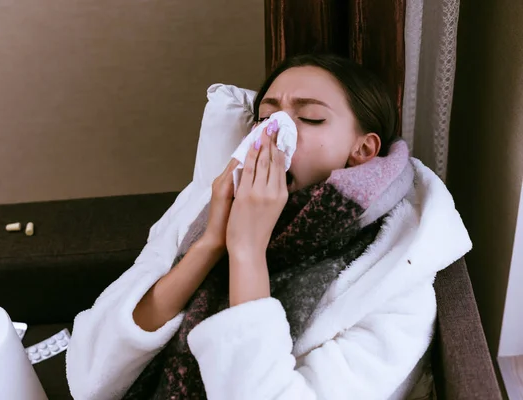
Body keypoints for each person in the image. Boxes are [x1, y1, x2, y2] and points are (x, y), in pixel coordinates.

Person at [65, 54, 471, 400]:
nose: (275, 135)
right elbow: (90, 375)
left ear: (362, 150)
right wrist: (210, 243)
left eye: (309, 118)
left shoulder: (395, 280)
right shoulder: (205, 205)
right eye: (265, 118)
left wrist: (248, 253)